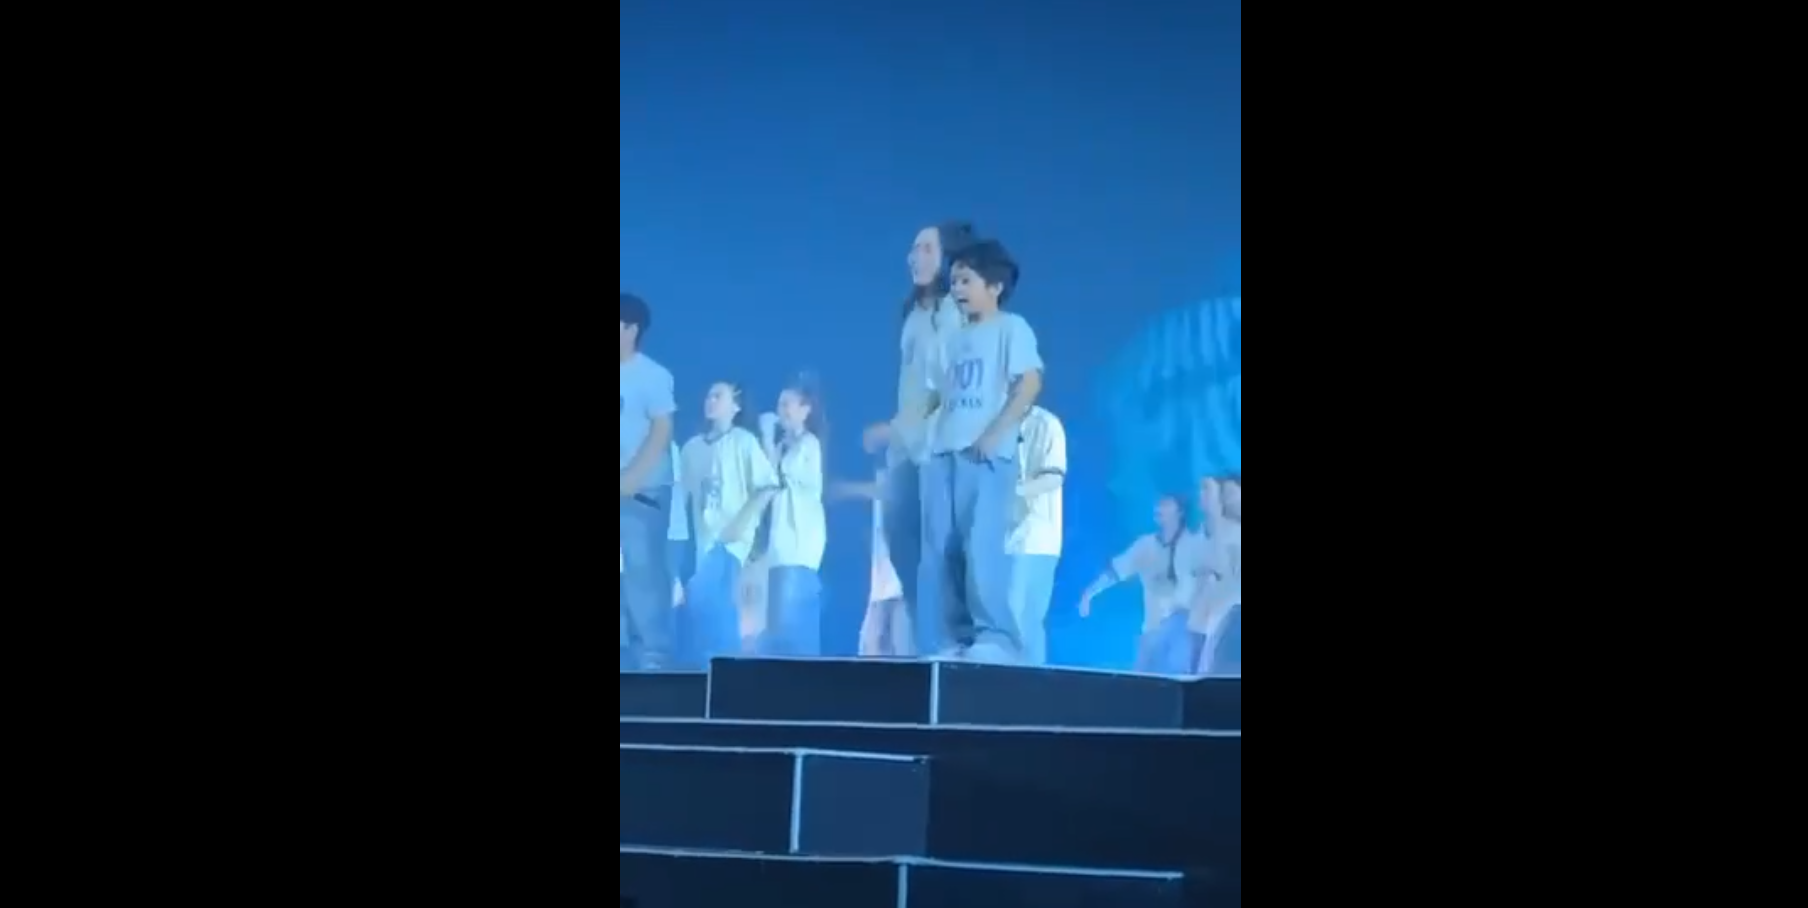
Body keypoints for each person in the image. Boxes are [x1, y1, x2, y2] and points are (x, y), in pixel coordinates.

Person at [918, 240, 1043, 663]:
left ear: (995, 286)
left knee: (981, 545)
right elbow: (937, 395)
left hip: (987, 455)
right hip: (944, 453)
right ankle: (956, 637)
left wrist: (994, 433)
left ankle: (998, 638)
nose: (957, 289)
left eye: (966, 280)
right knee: (943, 547)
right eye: (953, 281)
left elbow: (1029, 383)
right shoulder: (951, 340)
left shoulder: (1011, 328)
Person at [863, 221, 977, 649]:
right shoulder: (913, 317)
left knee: (941, 551)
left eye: (927, 248)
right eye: (914, 249)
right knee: (900, 540)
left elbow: (943, 389)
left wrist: (894, 428)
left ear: (949, 257)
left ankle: (956, 644)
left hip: (940, 450)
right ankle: (929, 639)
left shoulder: (954, 314)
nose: (916, 257)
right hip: (907, 451)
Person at [675, 382, 779, 668]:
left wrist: (741, 523)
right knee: (706, 608)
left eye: (718, 396)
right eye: (709, 395)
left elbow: (768, 486)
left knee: (708, 599)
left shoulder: (744, 442)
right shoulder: (692, 448)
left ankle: (724, 669)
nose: (711, 400)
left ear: (735, 406)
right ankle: (711, 671)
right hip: (701, 543)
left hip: (731, 543)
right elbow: (681, 496)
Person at [1079, 494, 1208, 674]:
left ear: (1180, 511)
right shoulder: (1145, 545)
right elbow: (1115, 571)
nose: (1159, 508)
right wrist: (1089, 593)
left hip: (1183, 634)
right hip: (1152, 631)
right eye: (1158, 504)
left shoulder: (1195, 545)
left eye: (1166, 504)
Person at [620, 293, 678, 671]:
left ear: (631, 329)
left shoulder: (652, 375)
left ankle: (654, 654)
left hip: (643, 491)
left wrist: (632, 477)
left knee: (643, 570)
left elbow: (661, 430)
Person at [756, 375, 829, 656]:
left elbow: (777, 477)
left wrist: (767, 437)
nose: (781, 410)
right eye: (780, 405)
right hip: (780, 549)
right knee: (779, 634)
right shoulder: (783, 447)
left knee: (794, 635)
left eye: (788, 404)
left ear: (805, 409)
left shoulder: (808, 444)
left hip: (798, 548)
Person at [1008, 405, 1067, 666]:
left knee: (1025, 620)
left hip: (1035, 539)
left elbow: (1054, 477)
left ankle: (1027, 680)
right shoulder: (991, 422)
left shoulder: (1046, 424)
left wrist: (1014, 492)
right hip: (1000, 541)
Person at [858, 465, 914, 656]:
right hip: (881, 584)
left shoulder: (905, 473)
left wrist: (844, 489)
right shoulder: (881, 472)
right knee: (873, 644)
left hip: (899, 583)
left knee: (900, 643)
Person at [1192, 475, 1243, 675]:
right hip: (1214, 623)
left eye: (1232, 494)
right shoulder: (1216, 533)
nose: (1229, 500)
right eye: (1224, 495)